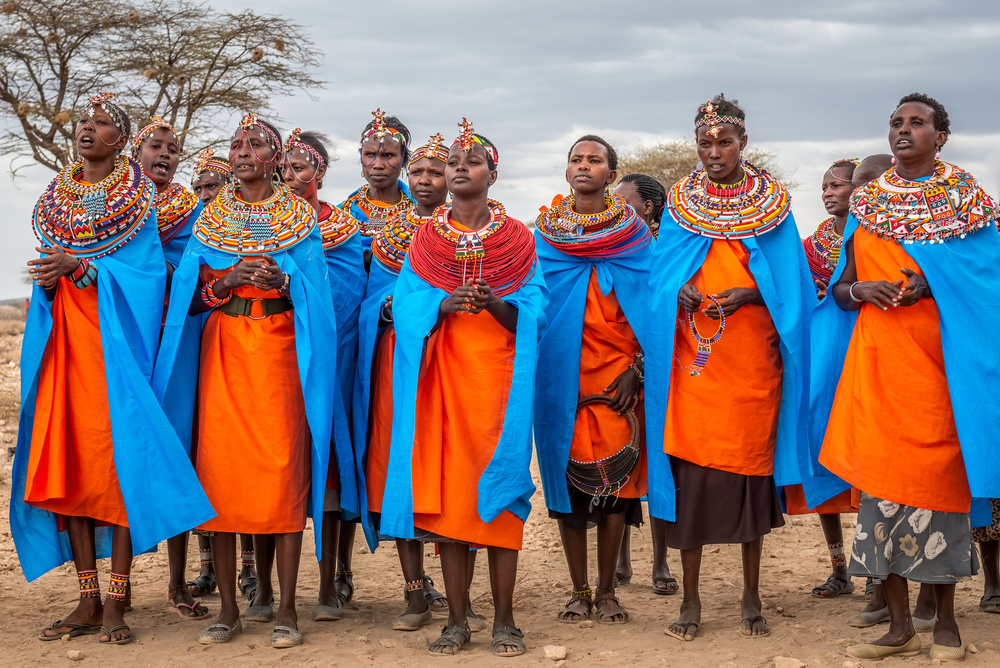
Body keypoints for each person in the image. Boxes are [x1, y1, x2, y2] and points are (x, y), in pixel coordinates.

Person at [11, 92, 212, 645]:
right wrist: (50, 278)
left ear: (121, 141)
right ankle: (87, 598)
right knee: (70, 468)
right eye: (83, 122)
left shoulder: (137, 199)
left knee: (116, 469)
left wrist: (86, 267)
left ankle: (118, 604)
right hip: (62, 350)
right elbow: (51, 269)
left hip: (114, 354)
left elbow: (149, 279)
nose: (87, 129)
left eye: (101, 124)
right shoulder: (57, 195)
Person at [818, 93, 1000, 662]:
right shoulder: (868, 203)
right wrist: (860, 291)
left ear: (940, 136)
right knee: (880, 498)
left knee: (937, 496)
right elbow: (841, 287)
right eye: (896, 122)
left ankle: (945, 624)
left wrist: (934, 288)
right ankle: (899, 627)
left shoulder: (968, 200)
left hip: (941, 376)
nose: (902, 130)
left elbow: (986, 288)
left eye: (916, 123)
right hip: (877, 369)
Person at [153, 113, 338, 649]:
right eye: (236, 143)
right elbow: (187, 302)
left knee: (283, 475)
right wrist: (226, 280)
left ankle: (285, 610)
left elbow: (318, 301)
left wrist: (287, 280)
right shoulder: (209, 219)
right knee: (223, 475)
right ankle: (230, 611)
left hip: (281, 353)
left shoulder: (300, 220)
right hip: (225, 354)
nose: (241, 151)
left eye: (255, 143)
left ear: (276, 159)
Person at [644, 95, 812, 642]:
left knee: (748, 481)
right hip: (694, 364)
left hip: (750, 365)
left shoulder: (775, 205)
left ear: (744, 143)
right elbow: (659, 279)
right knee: (691, 482)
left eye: (723, 142)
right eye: (704, 143)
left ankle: (751, 595)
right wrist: (682, 291)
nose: (713, 152)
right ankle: (691, 600)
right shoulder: (680, 204)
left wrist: (751, 293)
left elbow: (792, 288)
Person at [379, 119, 547, 656]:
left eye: (471, 161)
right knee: (451, 501)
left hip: (498, 385)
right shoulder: (426, 238)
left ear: (492, 173)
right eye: (453, 161)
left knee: (499, 496)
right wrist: (441, 304)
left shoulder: (519, 238)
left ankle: (504, 620)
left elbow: (537, 310)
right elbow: (405, 305)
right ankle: (455, 620)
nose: (458, 168)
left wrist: (497, 304)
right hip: (444, 382)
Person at [355, 133, 472, 632]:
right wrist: (404, 309)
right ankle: (414, 592)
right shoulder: (392, 235)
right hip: (399, 359)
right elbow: (371, 301)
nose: (425, 180)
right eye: (418, 172)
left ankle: (462, 596)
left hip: (460, 359)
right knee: (399, 463)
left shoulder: (474, 229)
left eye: (435, 171)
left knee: (455, 466)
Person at [534, 135, 652, 625]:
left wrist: (636, 370)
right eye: (576, 159)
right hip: (560, 378)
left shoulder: (637, 236)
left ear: (610, 173)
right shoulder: (544, 237)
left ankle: (607, 592)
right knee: (570, 493)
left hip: (619, 382)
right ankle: (579, 589)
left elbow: (653, 309)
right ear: (566, 172)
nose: (584, 166)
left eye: (595, 160)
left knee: (617, 492)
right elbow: (533, 307)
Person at [280, 128, 366, 623]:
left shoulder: (345, 231)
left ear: (320, 172)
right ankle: (266, 588)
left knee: (332, 466)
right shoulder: (260, 226)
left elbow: (348, 299)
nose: (290, 178)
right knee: (282, 466)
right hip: (275, 359)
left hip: (335, 361)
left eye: (300, 168)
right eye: (283, 170)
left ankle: (333, 581)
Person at [778, 159, 862, 600]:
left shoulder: (875, 237)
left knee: (867, 465)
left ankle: (879, 572)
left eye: (838, 185)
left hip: (862, 357)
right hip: (820, 364)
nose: (829, 193)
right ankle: (839, 567)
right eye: (825, 186)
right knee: (820, 460)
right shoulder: (811, 248)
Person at [611, 172, 674, 593]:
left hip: (658, 371)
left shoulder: (665, 251)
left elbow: (663, 317)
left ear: (647, 209)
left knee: (657, 466)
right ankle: (620, 561)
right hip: (611, 369)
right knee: (618, 459)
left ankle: (661, 563)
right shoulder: (613, 247)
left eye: (623, 202)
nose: (615, 209)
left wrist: (640, 367)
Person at [615, 173, 666, 238]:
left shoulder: (664, 246)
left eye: (623, 203)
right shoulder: (606, 244)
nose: (614, 209)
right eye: (613, 203)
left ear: (647, 207)